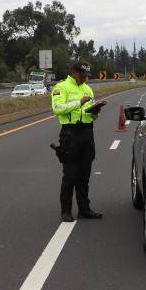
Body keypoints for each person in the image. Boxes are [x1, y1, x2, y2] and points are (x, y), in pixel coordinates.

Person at [51, 60, 106, 222]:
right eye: (82, 75)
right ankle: (66, 211)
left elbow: (90, 115)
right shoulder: (62, 87)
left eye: (86, 76)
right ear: (73, 72)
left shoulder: (87, 89)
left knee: (84, 175)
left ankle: (84, 209)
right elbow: (57, 109)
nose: (85, 79)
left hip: (87, 133)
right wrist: (78, 103)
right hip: (70, 133)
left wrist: (95, 111)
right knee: (70, 175)